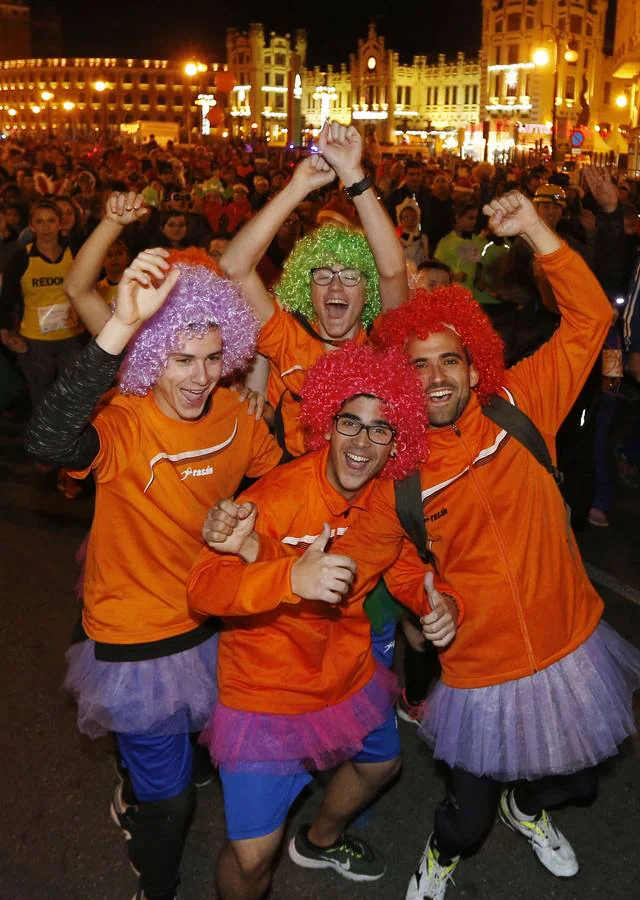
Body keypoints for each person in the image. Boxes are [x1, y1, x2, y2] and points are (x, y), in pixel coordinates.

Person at [217, 191, 640, 899]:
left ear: (477, 364)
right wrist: (419, 594)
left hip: (571, 641)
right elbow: (374, 564)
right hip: (480, 665)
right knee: (466, 817)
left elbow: (592, 318)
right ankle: (443, 854)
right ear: (400, 384)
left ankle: (528, 808)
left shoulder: (524, 406)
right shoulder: (399, 479)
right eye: (417, 366)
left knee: (577, 776)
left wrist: (536, 227)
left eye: (451, 360)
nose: (437, 377)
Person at [25, 246, 282, 900]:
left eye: (212, 358)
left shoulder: (235, 415)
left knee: (192, 761)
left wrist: (252, 520)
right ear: (150, 356)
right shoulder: (124, 420)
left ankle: (135, 781)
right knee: (172, 806)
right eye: (180, 358)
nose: (199, 377)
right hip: (135, 638)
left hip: (208, 624)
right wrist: (117, 327)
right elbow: (48, 443)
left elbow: (279, 486)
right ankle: (155, 885)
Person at [187, 342, 451, 899]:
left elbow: (401, 566)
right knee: (252, 859)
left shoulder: (390, 499)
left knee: (382, 766)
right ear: (326, 424)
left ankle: (321, 839)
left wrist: (434, 603)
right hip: (269, 693)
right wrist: (288, 579)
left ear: (398, 439)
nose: (361, 442)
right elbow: (203, 588)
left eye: (381, 430)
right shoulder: (278, 496)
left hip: (348, 676)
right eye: (350, 422)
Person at [220, 120, 407, 459]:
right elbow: (234, 268)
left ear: (368, 291)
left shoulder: (381, 340)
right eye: (322, 275)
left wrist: (352, 174)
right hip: (290, 481)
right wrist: (297, 187)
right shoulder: (288, 335)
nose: (336, 284)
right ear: (306, 287)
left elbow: (393, 271)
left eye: (350, 276)